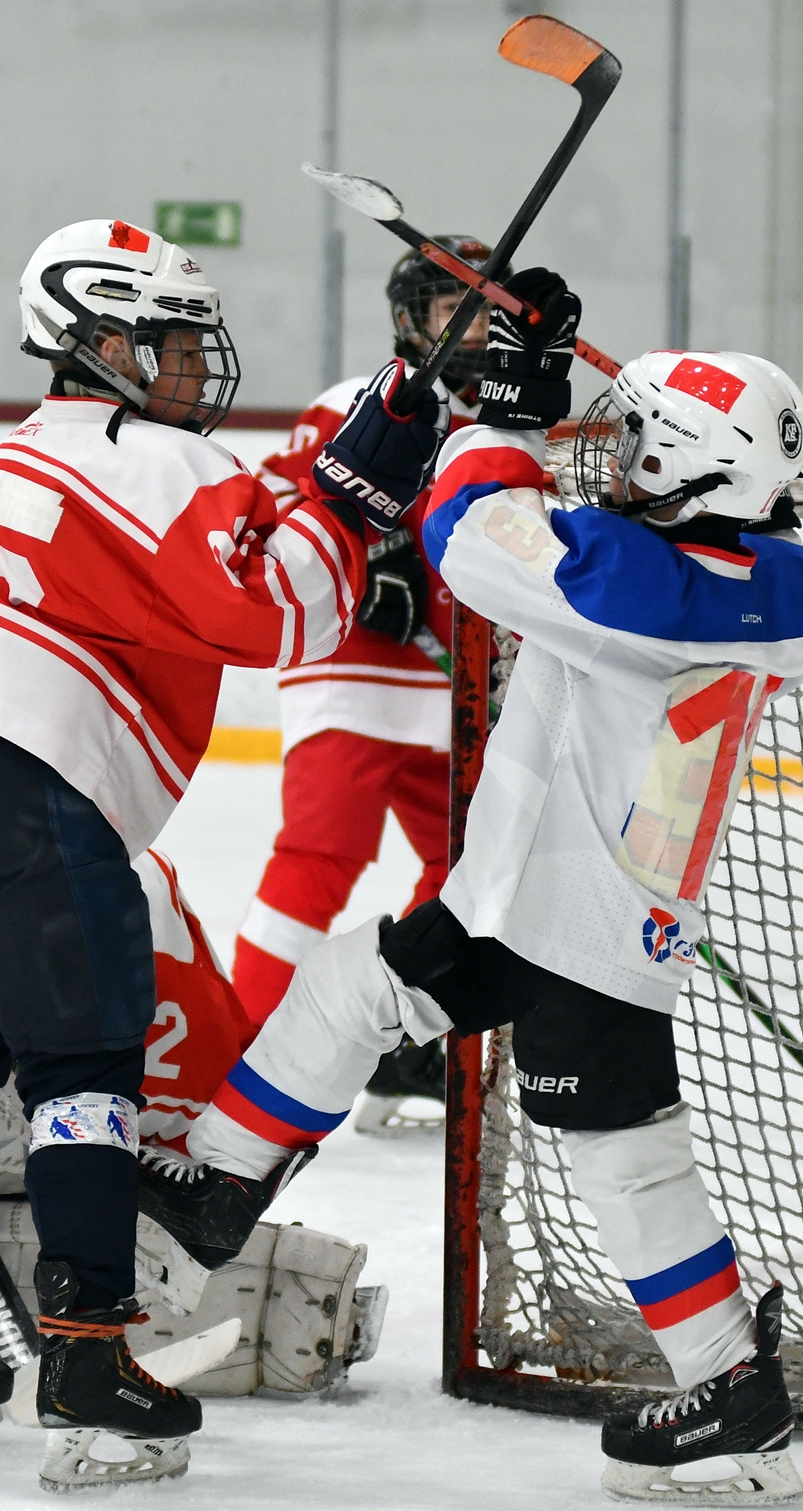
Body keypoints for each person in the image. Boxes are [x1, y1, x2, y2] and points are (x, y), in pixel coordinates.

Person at [137, 270, 803, 1506]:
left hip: (587, 922)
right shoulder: (747, 569)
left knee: (626, 1161)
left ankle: (730, 1392)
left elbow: (474, 540)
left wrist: (500, 416)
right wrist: (532, 383)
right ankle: (221, 1181)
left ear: (694, 467)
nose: (615, 459)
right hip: (518, 897)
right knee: (356, 985)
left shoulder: (643, 584)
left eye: (638, 443)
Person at [0, 218, 437, 1487]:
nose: (186, 367)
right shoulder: (151, 455)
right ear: (94, 342)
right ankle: (89, 1357)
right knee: (85, 1073)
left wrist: (391, 416)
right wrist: (379, 468)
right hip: (30, 785)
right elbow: (280, 605)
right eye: (162, 342)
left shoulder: (26, 452)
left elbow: (274, 518)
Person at [235, 237, 493, 1130]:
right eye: (448, 309)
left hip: (450, 691)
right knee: (319, 858)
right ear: (407, 320)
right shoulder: (354, 402)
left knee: (461, 872)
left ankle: (402, 1037)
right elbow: (284, 505)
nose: (471, 327)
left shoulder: (499, 427)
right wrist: (372, 565)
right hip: (349, 672)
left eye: (486, 309)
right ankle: (243, 1042)